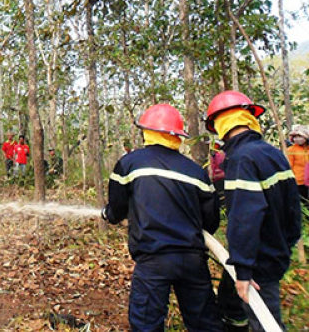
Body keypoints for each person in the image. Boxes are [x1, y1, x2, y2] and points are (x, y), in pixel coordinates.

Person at [101, 103, 222, 332]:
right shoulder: (196, 172)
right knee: (205, 324)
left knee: (146, 323)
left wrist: (109, 214)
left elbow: (117, 208)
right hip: (192, 260)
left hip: (153, 260)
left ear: (147, 131)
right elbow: (211, 220)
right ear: (177, 136)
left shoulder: (130, 163)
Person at [205, 90, 302, 331]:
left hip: (258, 262)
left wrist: (245, 271)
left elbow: (244, 219)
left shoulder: (241, 160)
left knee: (265, 322)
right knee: (230, 303)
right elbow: (294, 207)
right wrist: (285, 245)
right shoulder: (274, 153)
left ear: (220, 125)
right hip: (274, 253)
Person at [286, 125, 309, 205]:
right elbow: (289, 167)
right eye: (295, 136)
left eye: (299, 136)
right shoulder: (291, 150)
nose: (297, 138)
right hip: (298, 183)